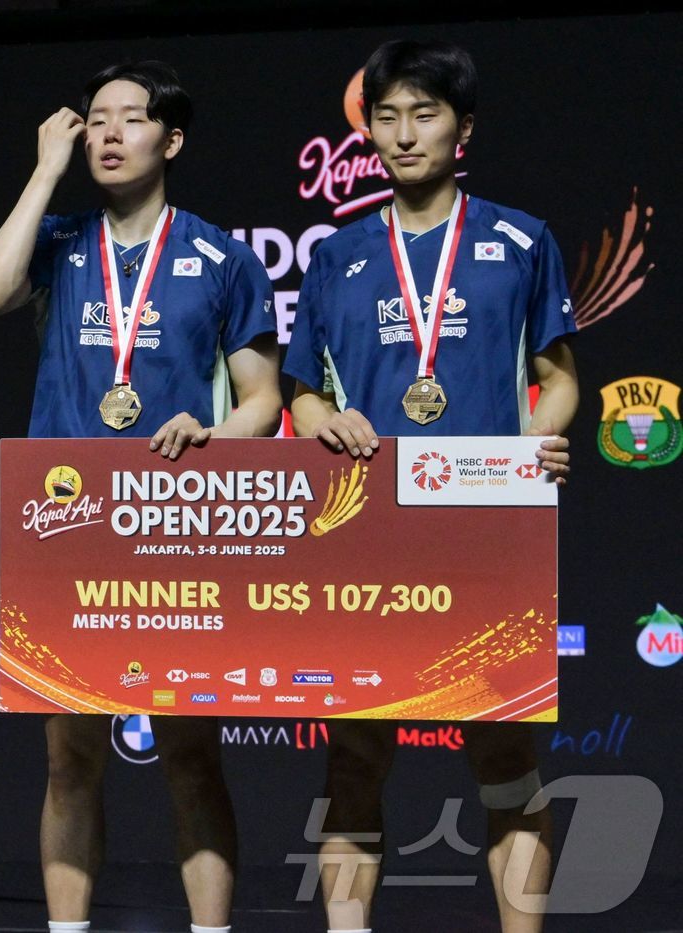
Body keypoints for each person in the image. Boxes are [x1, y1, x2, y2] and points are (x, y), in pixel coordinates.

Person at [0, 61, 283, 933]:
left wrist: (212, 436)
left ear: (171, 140)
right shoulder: (60, 239)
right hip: (64, 527)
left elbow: (263, 401)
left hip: (173, 526)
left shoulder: (222, 257)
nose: (108, 133)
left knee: (192, 757)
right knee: (70, 761)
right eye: (95, 119)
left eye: (131, 118)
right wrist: (44, 171)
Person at [284, 39, 577, 933]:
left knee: (506, 762)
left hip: (485, 535)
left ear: (463, 128)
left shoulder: (520, 239)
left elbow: (560, 377)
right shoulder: (337, 254)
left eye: (425, 113)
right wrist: (322, 418)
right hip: (367, 539)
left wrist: (536, 441)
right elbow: (299, 394)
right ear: (369, 131)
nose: (405, 134)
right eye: (388, 117)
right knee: (353, 761)